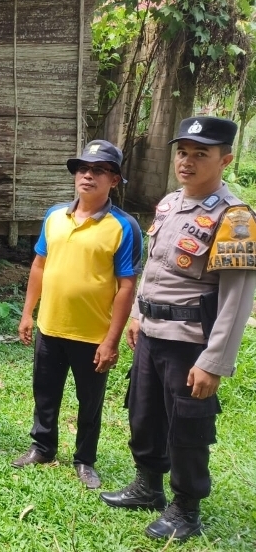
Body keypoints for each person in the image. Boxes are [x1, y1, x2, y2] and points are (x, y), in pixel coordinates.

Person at [100, 116, 256, 541]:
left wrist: (214, 361)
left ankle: (186, 508)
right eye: (182, 152)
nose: (187, 161)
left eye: (200, 154)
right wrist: (138, 315)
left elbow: (238, 298)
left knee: (187, 426)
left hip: (190, 342)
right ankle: (147, 485)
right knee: (144, 412)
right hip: (152, 333)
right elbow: (153, 268)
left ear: (224, 160)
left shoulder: (236, 218)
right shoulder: (170, 203)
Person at [12, 141, 142, 489]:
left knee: (90, 402)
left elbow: (126, 286)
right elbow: (39, 265)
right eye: (83, 168)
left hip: (93, 334)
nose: (88, 175)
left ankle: (85, 459)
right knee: (45, 393)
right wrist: (28, 313)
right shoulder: (55, 216)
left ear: (114, 180)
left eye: (99, 170)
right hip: (50, 326)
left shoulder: (124, 226)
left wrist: (111, 340)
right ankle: (43, 447)